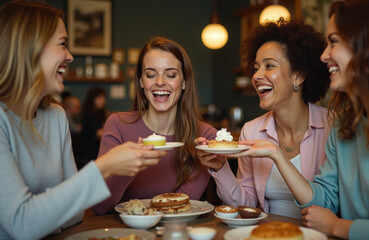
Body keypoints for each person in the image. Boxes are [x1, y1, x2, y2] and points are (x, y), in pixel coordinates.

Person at [228, 0, 369, 239]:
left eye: (333, 42)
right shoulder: (346, 125)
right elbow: (325, 201)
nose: (323, 55)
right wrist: (276, 153)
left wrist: (335, 226)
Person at [0, 2, 167, 239]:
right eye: (62, 44)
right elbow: (21, 225)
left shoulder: (55, 117)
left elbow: (75, 213)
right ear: (30, 48)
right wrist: (105, 166)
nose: (70, 56)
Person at [195, 19, 331, 219]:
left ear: (299, 75)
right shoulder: (251, 130)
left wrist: (276, 154)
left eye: (269, 66)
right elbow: (245, 205)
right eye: (256, 67)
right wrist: (221, 167)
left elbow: (329, 206)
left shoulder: (332, 126)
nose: (257, 76)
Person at [92, 36, 217, 215]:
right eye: (151, 74)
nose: (159, 81)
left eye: (171, 74)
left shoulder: (205, 136)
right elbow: (100, 207)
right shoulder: (117, 124)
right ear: (141, 81)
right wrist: (130, 167)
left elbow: (184, 205)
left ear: (184, 82)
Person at [80, 87, 107, 168]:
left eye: (103, 97)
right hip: (89, 153)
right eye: (99, 98)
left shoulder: (100, 113)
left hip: (97, 152)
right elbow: (97, 133)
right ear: (92, 99)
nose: (103, 100)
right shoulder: (88, 114)